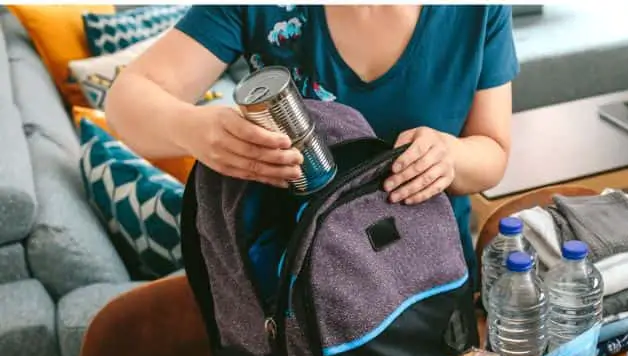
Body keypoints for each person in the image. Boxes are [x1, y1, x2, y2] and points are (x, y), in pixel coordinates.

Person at [105, 4, 519, 279]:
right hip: (294, 297)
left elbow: (492, 151)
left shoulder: (477, 10)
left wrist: (450, 156)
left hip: (431, 283)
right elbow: (125, 103)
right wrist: (193, 128)